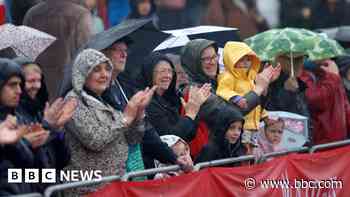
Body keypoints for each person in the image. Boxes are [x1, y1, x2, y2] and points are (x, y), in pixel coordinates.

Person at [63, 49, 154, 195]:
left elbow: (132, 139)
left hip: (116, 185)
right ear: (83, 73)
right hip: (89, 189)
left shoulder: (108, 101)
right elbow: (95, 140)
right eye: (96, 70)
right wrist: (125, 117)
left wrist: (139, 114)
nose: (104, 75)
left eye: (107, 69)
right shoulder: (73, 101)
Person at [100, 39, 193, 173]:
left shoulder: (125, 86)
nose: (124, 55)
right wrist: (191, 114)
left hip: (137, 165)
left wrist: (174, 159)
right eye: (118, 50)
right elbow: (101, 139)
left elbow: (146, 133)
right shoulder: (97, 94)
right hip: (110, 171)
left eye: (125, 51)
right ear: (104, 54)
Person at [180, 38, 277, 158]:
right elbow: (231, 115)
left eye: (214, 56)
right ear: (193, 62)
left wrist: (263, 88)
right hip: (209, 159)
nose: (212, 62)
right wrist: (257, 89)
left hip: (227, 153)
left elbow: (250, 113)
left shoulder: (218, 82)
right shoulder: (194, 90)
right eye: (205, 59)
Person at [23, 0, 93, 99]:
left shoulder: (31, 14)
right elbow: (86, 55)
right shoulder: (80, 14)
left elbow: (25, 53)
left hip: (37, 85)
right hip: (67, 86)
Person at [136, 52, 210, 142]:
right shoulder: (146, 102)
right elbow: (171, 138)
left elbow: (189, 135)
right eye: (162, 71)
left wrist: (194, 110)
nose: (167, 76)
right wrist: (190, 114)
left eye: (170, 71)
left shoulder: (172, 99)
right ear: (149, 73)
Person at [216, 41, 268, 152]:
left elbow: (256, 102)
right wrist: (236, 97)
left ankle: (249, 167)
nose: (245, 63)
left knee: (252, 149)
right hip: (240, 125)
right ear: (231, 59)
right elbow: (222, 90)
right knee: (244, 150)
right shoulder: (228, 76)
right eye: (241, 59)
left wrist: (265, 116)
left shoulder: (250, 78)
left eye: (248, 59)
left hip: (254, 124)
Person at [300, 59, 350, 144]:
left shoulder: (332, 74)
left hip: (341, 141)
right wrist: (333, 76)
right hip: (321, 143)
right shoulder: (304, 74)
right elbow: (316, 100)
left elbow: (345, 106)